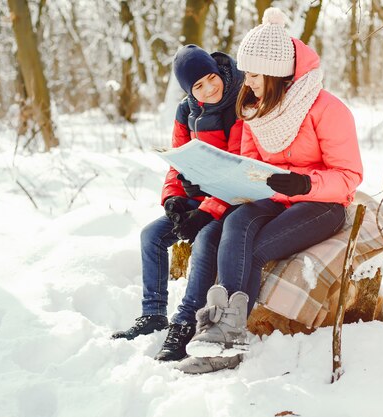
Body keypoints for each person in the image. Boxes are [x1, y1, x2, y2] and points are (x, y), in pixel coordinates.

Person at [176, 8, 363, 374]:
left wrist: (306, 182)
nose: (249, 80)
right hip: (274, 198)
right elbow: (248, 163)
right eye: (246, 72)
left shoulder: (327, 108)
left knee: (257, 249)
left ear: (277, 73)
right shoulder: (254, 109)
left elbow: (350, 175)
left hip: (321, 203)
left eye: (255, 73)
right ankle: (221, 331)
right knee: (236, 224)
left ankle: (227, 337)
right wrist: (232, 180)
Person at [111, 44, 244, 362]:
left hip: (230, 201)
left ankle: (184, 325)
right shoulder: (187, 111)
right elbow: (178, 162)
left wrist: (204, 213)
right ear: (189, 91)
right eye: (199, 85)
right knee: (151, 236)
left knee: (202, 242)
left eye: (212, 78)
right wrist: (172, 200)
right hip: (195, 198)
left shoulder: (240, 103)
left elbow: (238, 171)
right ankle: (153, 313)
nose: (210, 88)